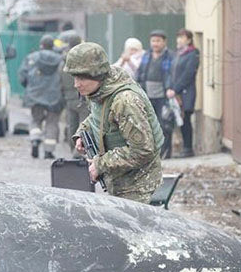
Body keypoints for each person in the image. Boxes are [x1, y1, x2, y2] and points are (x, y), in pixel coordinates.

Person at [65, 42, 163, 204]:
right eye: (74, 77)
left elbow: (142, 150)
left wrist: (100, 164)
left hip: (138, 188)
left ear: (96, 74)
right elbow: (100, 117)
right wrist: (83, 132)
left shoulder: (125, 101)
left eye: (81, 78)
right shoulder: (101, 91)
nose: (76, 84)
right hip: (120, 183)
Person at [19, 34, 63, 159]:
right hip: (54, 96)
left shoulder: (31, 58)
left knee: (36, 119)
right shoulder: (60, 60)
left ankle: (35, 139)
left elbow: (22, 76)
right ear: (52, 46)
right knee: (52, 122)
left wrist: (29, 88)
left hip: (35, 95)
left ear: (41, 45)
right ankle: (48, 151)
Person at [136, 29, 173, 158]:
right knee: (149, 124)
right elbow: (140, 73)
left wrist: (170, 89)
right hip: (147, 95)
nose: (155, 44)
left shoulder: (170, 56)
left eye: (158, 41)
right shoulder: (147, 55)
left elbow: (171, 75)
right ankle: (153, 151)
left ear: (164, 42)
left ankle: (166, 151)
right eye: (153, 41)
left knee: (164, 124)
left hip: (163, 96)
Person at [168, 29, 200, 158]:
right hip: (175, 93)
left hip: (186, 93)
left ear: (189, 40)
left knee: (186, 119)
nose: (179, 40)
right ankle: (182, 147)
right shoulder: (178, 54)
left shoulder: (193, 54)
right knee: (179, 120)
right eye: (178, 37)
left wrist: (176, 89)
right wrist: (170, 88)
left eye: (182, 37)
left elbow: (188, 74)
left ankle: (188, 148)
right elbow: (172, 73)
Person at [57, 31, 89, 156]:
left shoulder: (63, 61)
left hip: (69, 98)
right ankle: (79, 153)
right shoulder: (84, 59)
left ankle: (72, 150)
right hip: (84, 98)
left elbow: (59, 80)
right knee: (84, 126)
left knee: (71, 125)